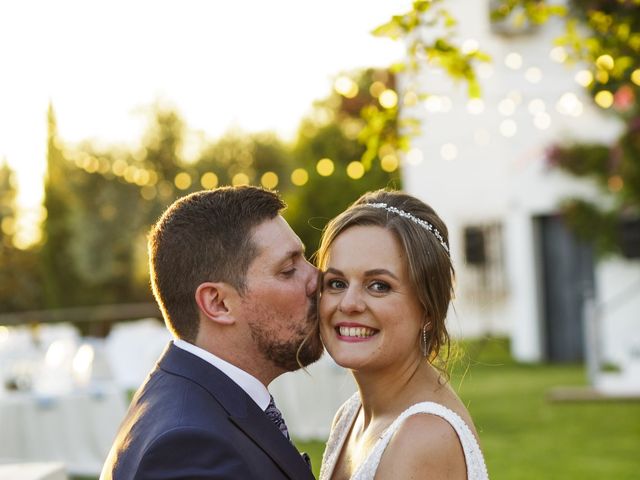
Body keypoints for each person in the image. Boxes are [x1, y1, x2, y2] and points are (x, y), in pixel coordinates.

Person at [101, 186, 323, 480]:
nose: (317, 279)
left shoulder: (197, 400)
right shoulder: (188, 450)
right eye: (288, 270)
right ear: (218, 303)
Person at [317, 189, 489, 480]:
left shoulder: (423, 436)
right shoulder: (351, 415)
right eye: (336, 283)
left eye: (379, 286)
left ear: (428, 309)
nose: (348, 303)